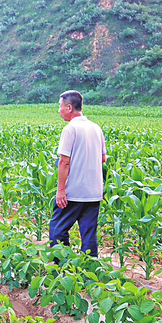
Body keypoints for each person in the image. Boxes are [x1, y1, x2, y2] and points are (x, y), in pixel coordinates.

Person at [50, 90, 107, 257]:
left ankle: (63, 266)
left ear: (69, 108)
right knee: (89, 235)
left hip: (73, 193)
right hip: (94, 192)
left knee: (57, 230)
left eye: (60, 106)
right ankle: (89, 273)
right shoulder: (96, 128)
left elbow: (64, 161)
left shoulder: (70, 129)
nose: (59, 110)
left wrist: (61, 190)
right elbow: (102, 158)